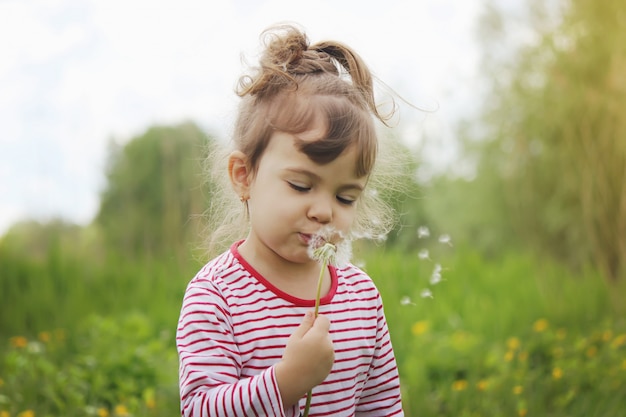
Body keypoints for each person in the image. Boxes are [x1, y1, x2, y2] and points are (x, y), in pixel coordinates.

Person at [176, 23, 405, 417]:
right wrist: (285, 383)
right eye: (301, 185)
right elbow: (199, 410)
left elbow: (381, 407)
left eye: (345, 196)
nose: (324, 211)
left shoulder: (361, 298)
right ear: (244, 176)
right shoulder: (216, 298)